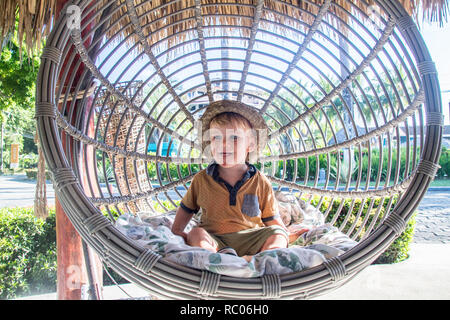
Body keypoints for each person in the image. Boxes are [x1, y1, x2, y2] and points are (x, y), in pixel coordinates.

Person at [171, 100, 308, 261]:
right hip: (214, 237)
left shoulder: (260, 182)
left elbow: (271, 219)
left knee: (277, 235)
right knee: (196, 233)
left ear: (250, 144)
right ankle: (214, 256)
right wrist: (177, 230)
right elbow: (186, 208)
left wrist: (285, 233)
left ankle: (261, 257)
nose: (224, 144)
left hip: (251, 237)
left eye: (234, 137)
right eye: (216, 137)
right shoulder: (201, 180)